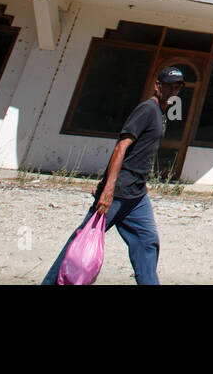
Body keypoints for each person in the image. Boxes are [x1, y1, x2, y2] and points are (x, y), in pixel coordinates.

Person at [41, 66, 184, 285]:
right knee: (82, 238)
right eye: (169, 85)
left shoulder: (161, 113)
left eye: (177, 86)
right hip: (119, 192)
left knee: (147, 242)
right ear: (158, 86)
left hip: (137, 195)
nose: (173, 90)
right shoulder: (147, 109)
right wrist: (108, 187)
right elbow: (121, 147)